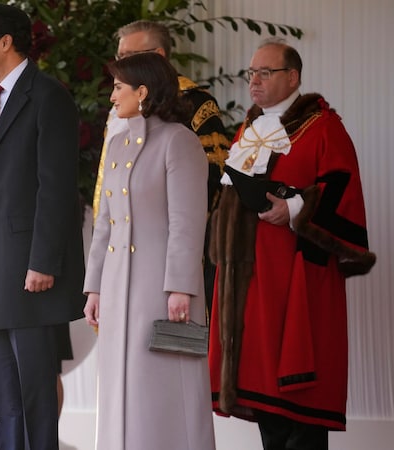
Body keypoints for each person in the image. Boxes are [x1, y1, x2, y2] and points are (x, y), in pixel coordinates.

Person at [208, 38, 376, 450]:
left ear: (293, 77)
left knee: (299, 406)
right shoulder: (249, 128)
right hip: (251, 286)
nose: (254, 81)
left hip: (297, 281)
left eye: (265, 72)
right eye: (251, 73)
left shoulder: (323, 127)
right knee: (266, 405)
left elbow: (343, 191)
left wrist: (296, 208)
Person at [0, 4, 85, 449]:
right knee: (2, 401)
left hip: (33, 277)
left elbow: (58, 188)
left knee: (34, 399)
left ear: (5, 42)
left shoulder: (50, 96)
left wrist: (44, 261)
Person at [82, 52, 215, 450]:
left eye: (118, 87)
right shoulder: (119, 142)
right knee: (122, 388)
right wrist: (94, 288)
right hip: (119, 288)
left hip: (162, 291)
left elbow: (188, 223)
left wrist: (181, 288)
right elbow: (105, 223)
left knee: (160, 389)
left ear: (142, 91)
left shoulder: (180, 141)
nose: (111, 97)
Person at [93, 20, 230, 310]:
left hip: (167, 251)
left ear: (158, 55)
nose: (121, 63)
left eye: (129, 56)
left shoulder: (194, 103)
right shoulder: (121, 107)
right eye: (119, 56)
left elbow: (210, 180)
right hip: (120, 248)